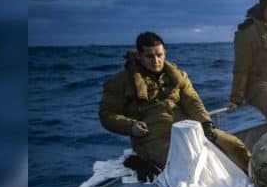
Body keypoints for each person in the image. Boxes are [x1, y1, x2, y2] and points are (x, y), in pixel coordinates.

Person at [99, 31, 251, 174]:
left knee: (234, 144)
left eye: (159, 55)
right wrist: (131, 126)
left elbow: (193, 102)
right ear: (139, 56)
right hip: (151, 138)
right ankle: (142, 160)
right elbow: (107, 115)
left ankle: (258, 179)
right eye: (149, 56)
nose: (156, 60)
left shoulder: (178, 76)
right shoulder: (120, 82)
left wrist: (206, 124)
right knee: (186, 163)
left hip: (186, 129)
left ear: (165, 53)